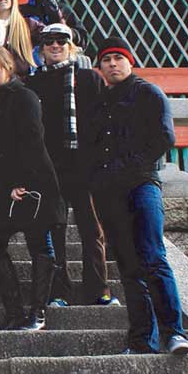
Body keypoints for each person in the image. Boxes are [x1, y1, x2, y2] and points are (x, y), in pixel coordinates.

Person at [82, 36, 188, 355]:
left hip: (142, 184)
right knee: (129, 265)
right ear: (99, 66)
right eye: (106, 60)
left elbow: (163, 137)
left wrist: (128, 167)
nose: (113, 64)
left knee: (153, 257)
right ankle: (143, 338)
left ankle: (175, 332)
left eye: (118, 58)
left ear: (130, 61)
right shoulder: (99, 102)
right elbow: (88, 147)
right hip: (108, 192)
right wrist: (97, 178)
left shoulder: (147, 93)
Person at [0, 45, 63, 331]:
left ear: (5, 63)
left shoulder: (25, 96)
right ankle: (15, 312)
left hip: (30, 184)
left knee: (40, 246)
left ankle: (38, 312)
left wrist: (23, 182)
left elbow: (32, 140)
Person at [26, 22, 117, 308]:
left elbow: (106, 121)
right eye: (49, 41)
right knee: (56, 230)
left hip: (85, 164)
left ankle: (99, 290)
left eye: (61, 41)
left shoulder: (90, 78)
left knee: (93, 230)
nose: (55, 46)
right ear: (41, 48)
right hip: (50, 167)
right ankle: (59, 291)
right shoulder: (34, 83)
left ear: (71, 45)